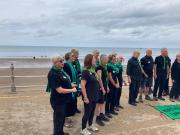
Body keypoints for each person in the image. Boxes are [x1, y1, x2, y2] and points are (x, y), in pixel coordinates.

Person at [47, 55, 77, 135]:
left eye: (63, 60)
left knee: (62, 118)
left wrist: (70, 84)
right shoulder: (53, 73)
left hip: (63, 100)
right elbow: (59, 90)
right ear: (55, 63)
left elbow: (63, 83)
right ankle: (57, 133)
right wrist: (72, 90)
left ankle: (61, 132)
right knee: (58, 120)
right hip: (58, 101)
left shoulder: (60, 71)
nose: (63, 62)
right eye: (61, 61)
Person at [81, 54, 99, 135]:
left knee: (92, 112)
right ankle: (83, 128)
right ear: (90, 60)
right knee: (87, 113)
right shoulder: (85, 71)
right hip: (88, 96)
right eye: (94, 59)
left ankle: (90, 125)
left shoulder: (93, 71)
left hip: (94, 95)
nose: (95, 60)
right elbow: (82, 85)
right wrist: (85, 97)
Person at [95, 54, 110, 126]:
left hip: (104, 86)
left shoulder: (105, 67)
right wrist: (103, 88)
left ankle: (102, 115)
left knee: (103, 101)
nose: (108, 60)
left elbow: (105, 79)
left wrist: (107, 86)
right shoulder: (99, 67)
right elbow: (99, 78)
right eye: (106, 59)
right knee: (99, 103)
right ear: (102, 59)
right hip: (100, 87)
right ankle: (98, 118)